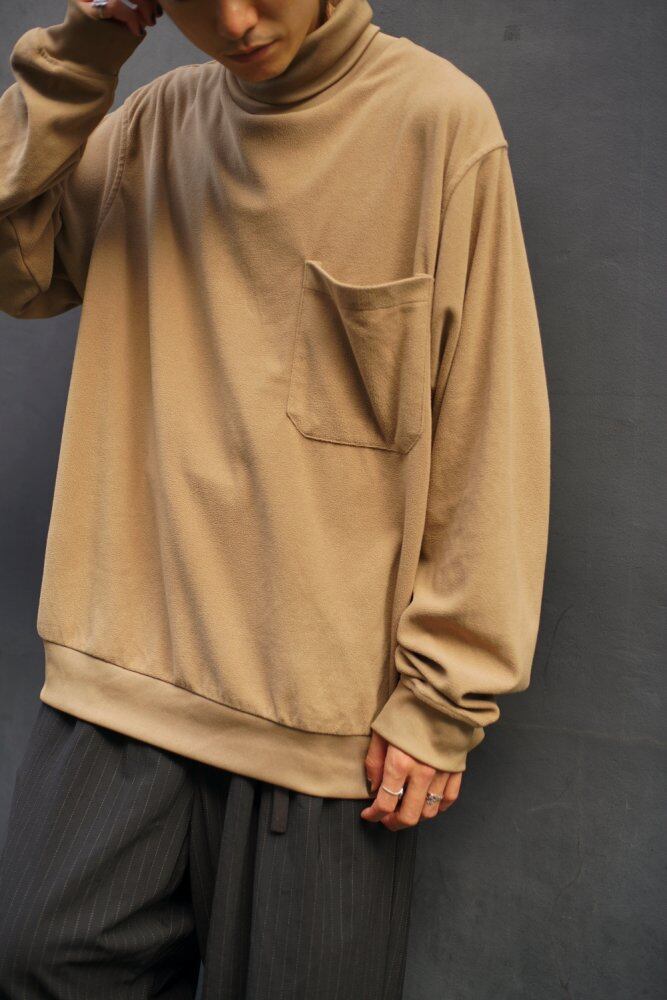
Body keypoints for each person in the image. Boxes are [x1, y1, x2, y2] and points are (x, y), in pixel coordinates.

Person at [0, 0, 551, 996]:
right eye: (196, 1)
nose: (237, 22)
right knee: (39, 960)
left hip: (324, 719)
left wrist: (442, 698)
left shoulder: (436, 121)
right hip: (121, 680)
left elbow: (488, 427)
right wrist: (80, 57)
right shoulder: (152, 124)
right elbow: (14, 261)